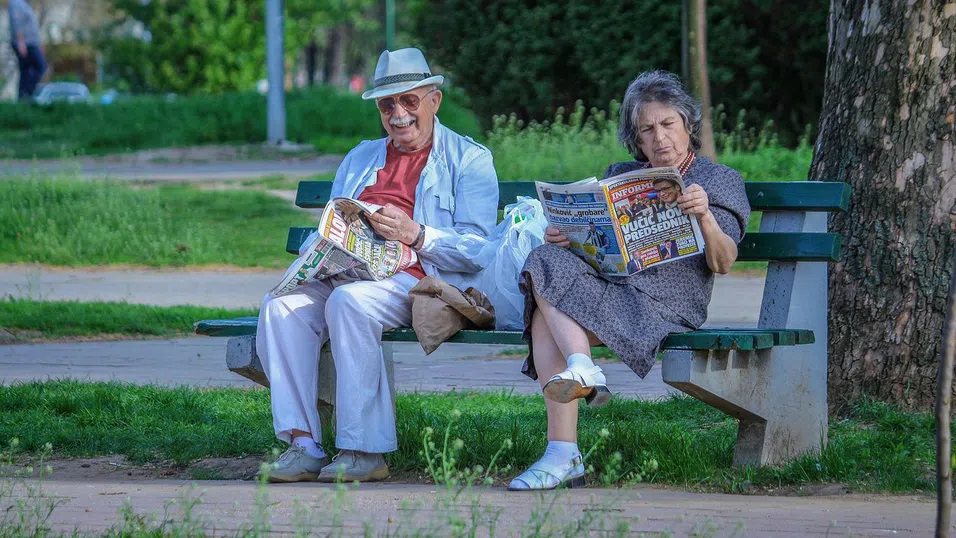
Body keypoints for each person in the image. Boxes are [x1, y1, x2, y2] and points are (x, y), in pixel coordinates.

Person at [256, 48, 499, 483]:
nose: (399, 113)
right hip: (350, 272)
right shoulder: (360, 157)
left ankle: (364, 451)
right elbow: (333, 220)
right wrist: (323, 250)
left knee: (351, 303)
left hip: (419, 280)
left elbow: (479, 250)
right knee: (280, 307)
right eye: (388, 104)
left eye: (410, 100)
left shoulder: (470, 159)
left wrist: (416, 234)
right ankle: (303, 444)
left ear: (434, 101)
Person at [509, 70, 750, 490]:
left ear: (687, 125)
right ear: (636, 140)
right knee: (543, 258)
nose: (660, 138)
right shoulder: (622, 175)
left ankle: (563, 451)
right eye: (647, 130)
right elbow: (597, 248)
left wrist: (705, 216)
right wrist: (568, 238)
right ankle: (581, 372)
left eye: (667, 124)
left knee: (544, 319)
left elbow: (724, 261)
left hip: (667, 306)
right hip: (614, 290)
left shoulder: (717, 180)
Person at [7, 0, 46, 100]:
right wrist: (20, 42)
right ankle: (27, 93)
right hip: (26, 43)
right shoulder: (16, 3)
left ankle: (22, 97)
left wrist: (39, 44)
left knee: (26, 70)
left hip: (31, 43)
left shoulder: (25, 4)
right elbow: (16, 22)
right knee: (41, 66)